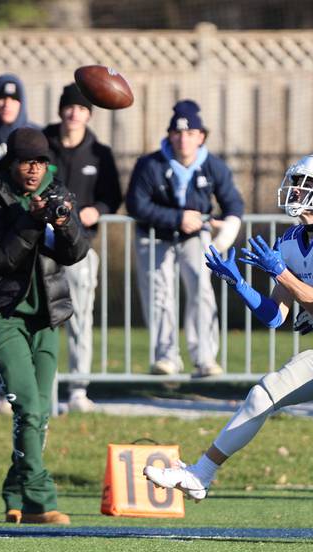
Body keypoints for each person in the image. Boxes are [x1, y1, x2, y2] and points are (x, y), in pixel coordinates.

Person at [144, 153, 313, 546]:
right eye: (297, 183)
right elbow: (275, 317)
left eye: (306, 184)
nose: (296, 191)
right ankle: (201, 474)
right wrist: (239, 285)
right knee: (262, 394)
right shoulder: (290, 240)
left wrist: (279, 272)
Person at [0, 127, 89, 524]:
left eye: (40, 162)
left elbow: (77, 252)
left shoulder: (59, 190)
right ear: (12, 163)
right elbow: (0, 258)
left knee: (38, 415)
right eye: (26, 162)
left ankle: (15, 493)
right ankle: (41, 499)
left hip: (45, 318)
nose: (34, 169)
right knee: (30, 408)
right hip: (2, 316)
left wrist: (66, 220)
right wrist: (31, 221)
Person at [126, 99, 243, 377]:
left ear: (201, 136)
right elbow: (136, 205)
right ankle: (166, 357)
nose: (183, 140)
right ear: (169, 135)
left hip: (195, 239)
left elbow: (234, 204)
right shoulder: (149, 164)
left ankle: (205, 358)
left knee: (201, 291)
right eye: (177, 133)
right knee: (159, 295)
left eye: (190, 133)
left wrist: (224, 233)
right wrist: (177, 218)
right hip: (154, 236)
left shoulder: (213, 166)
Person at [44, 83, 122, 412]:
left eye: (82, 109)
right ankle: (43, 383)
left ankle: (78, 388)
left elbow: (113, 196)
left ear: (89, 114)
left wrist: (98, 210)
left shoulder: (99, 153)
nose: (75, 114)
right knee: (41, 317)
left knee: (80, 317)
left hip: (80, 247)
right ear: (61, 110)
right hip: (42, 246)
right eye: (70, 107)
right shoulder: (42, 144)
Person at [0, 73, 39, 413]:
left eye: (13, 98)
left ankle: (19, 388)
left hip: (27, 238)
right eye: (1, 97)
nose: (6, 103)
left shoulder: (33, 137)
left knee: (24, 316)